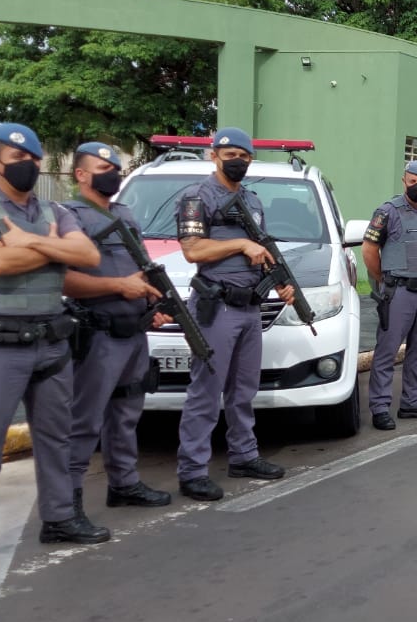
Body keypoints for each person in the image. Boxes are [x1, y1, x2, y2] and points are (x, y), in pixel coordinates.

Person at [0, 122, 105, 582]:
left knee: (56, 439)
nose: (28, 167)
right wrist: (57, 249)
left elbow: (88, 255)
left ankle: (59, 518)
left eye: (33, 159)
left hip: (51, 345)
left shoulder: (51, 208)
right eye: (17, 160)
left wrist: (28, 240)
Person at [174, 128, 296, 502]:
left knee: (244, 391)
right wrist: (240, 242)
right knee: (206, 392)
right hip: (217, 307)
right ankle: (192, 471)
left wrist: (280, 282)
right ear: (214, 155)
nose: (238, 160)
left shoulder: (253, 200)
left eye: (244, 155)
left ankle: (243, 455)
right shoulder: (197, 197)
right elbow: (192, 250)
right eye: (231, 154)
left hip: (249, 308)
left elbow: (260, 249)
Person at [60, 143, 173, 527]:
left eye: (115, 166)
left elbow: (139, 269)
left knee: (127, 413)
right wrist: (119, 287)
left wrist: (150, 308)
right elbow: (65, 280)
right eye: (102, 167)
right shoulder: (69, 217)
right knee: (84, 420)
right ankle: (67, 504)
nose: (112, 171)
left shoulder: (124, 213)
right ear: (81, 175)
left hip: (132, 332)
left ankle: (124, 484)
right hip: (97, 335)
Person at [365, 161, 417, 429]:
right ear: (404, 181)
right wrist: (381, 280)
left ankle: (412, 403)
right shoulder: (388, 212)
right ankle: (379, 407)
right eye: (412, 181)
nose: (416, 187)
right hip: (399, 291)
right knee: (387, 350)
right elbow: (369, 249)